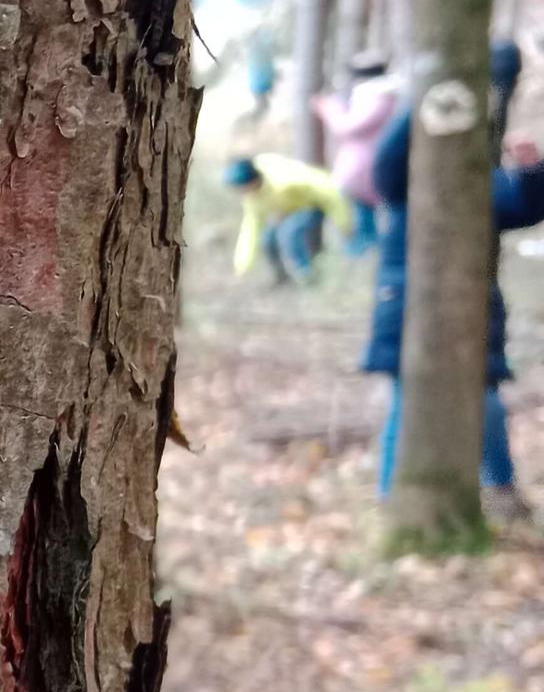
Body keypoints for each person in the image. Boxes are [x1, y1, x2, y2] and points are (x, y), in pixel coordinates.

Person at [365, 39, 544, 522]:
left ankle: (500, 489)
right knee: (409, 396)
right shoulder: (413, 166)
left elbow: (516, 205)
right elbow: (382, 172)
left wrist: (530, 174)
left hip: (472, 299)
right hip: (408, 294)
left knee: (483, 396)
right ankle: (391, 496)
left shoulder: (473, 171)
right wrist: (430, 93)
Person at [311, 52, 399, 254]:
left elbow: (347, 127)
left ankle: (365, 255)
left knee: (359, 220)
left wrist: (329, 108)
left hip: (365, 169)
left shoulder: (380, 97)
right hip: (362, 168)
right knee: (359, 217)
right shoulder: (376, 95)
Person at [226, 153, 354, 282]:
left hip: (313, 204)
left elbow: (328, 191)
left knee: (290, 233)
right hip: (286, 211)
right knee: (268, 239)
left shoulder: (286, 180)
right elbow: (251, 227)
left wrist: (343, 223)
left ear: (250, 182)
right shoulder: (252, 197)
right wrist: (242, 264)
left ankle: (306, 274)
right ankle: (281, 276)